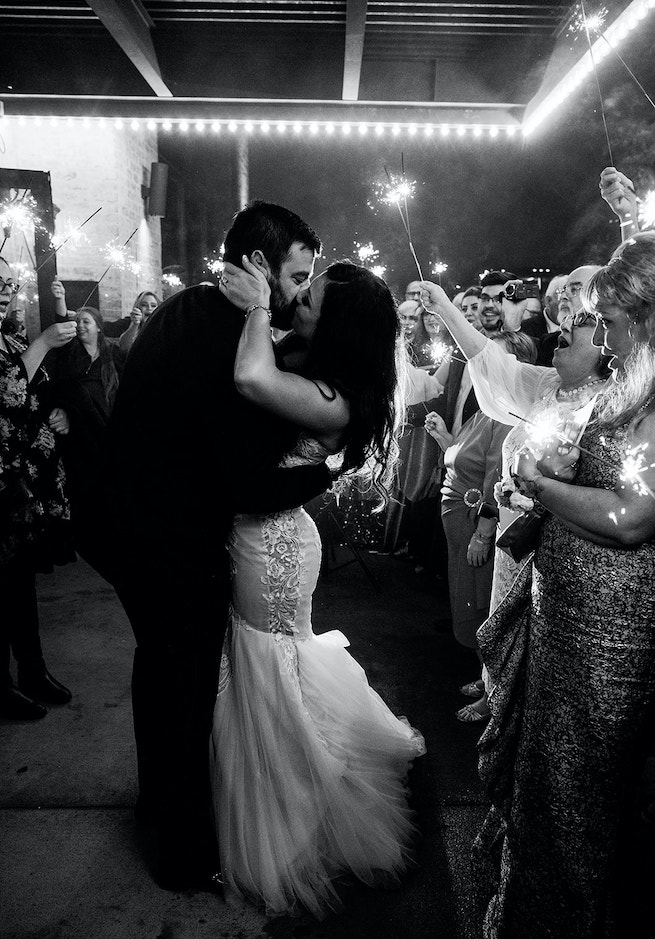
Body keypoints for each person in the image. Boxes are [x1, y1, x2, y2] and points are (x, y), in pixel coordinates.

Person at [105, 201, 334, 891]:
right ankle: (178, 854)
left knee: (159, 676)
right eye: (296, 275)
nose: (299, 292)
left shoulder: (190, 308)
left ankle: (159, 808)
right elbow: (246, 483)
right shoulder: (224, 332)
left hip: (134, 532)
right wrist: (328, 467)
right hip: (172, 545)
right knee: (183, 691)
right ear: (259, 267)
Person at [445, 237, 655, 935]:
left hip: (611, 634)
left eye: (614, 325)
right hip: (568, 615)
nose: (606, 343)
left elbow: (630, 519)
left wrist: (538, 486)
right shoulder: (632, 386)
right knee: (548, 779)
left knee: (580, 789)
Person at [212, 258, 426, 918]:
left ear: (341, 324)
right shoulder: (326, 375)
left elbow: (250, 375)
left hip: (272, 544)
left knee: (268, 662)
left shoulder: (333, 398)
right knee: (269, 660)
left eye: (314, 296)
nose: (299, 297)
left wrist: (254, 308)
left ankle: (295, 809)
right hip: (265, 532)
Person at [420, 276, 613, 720]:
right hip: (514, 536)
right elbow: (490, 361)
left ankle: (517, 712)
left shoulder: (611, 407)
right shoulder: (547, 385)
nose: (563, 329)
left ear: (607, 350)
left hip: (561, 547)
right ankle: (498, 694)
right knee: (502, 625)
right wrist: (447, 309)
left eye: (577, 328)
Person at [425, 331, 537, 724]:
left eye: (492, 361)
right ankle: (485, 677)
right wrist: (444, 440)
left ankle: (494, 695)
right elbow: (464, 459)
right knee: (470, 603)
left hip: (477, 527)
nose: (481, 367)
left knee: (484, 611)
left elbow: (496, 480)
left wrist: (482, 534)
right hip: (458, 521)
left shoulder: (507, 417)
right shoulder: (482, 411)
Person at [0, 256, 78, 720]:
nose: (6, 288)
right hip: (3, 483)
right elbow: (8, 392)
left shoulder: (9, 337)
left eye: (9, 280)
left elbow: (33, 391)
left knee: (19, 581)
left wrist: (57, 413)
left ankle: (32, 670)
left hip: (24, 481)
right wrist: (43, 344)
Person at [45, 299, 122, 577]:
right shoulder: (68, 357)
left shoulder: (112, 356)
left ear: (99, 328)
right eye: (77, 322)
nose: (79, 326)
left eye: (85, 321)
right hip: (82, 440)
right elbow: (59, 392)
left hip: (110, 435)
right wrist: (64, 410)